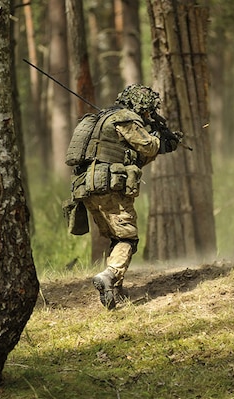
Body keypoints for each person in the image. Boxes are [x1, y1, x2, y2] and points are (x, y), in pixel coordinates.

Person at [68, 84, 182, 310]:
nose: (149, 116)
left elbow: (130, 156)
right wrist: (162, 141)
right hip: (109, 186)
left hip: (86, 188)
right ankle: (109, 276)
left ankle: (115, 291)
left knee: (116, 237)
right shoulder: (126, 119)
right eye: (148, 112)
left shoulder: (100, 120)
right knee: (128, 238)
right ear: (141, 107)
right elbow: (147, 146)